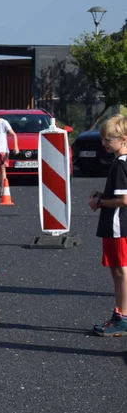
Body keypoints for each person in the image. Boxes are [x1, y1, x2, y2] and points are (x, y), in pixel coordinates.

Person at [90, 115, 127, 336]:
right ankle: (121, 314)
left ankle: (121, 316)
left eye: (109, 139)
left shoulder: (121, 164)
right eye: (103, 138)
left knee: (120, 270)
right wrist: (103, 195)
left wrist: (99, 202)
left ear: (123, 139)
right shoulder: (120, 162)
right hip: (118, 224)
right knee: (118, 270)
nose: (104, 143)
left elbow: (124, 200)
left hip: (118, 225)